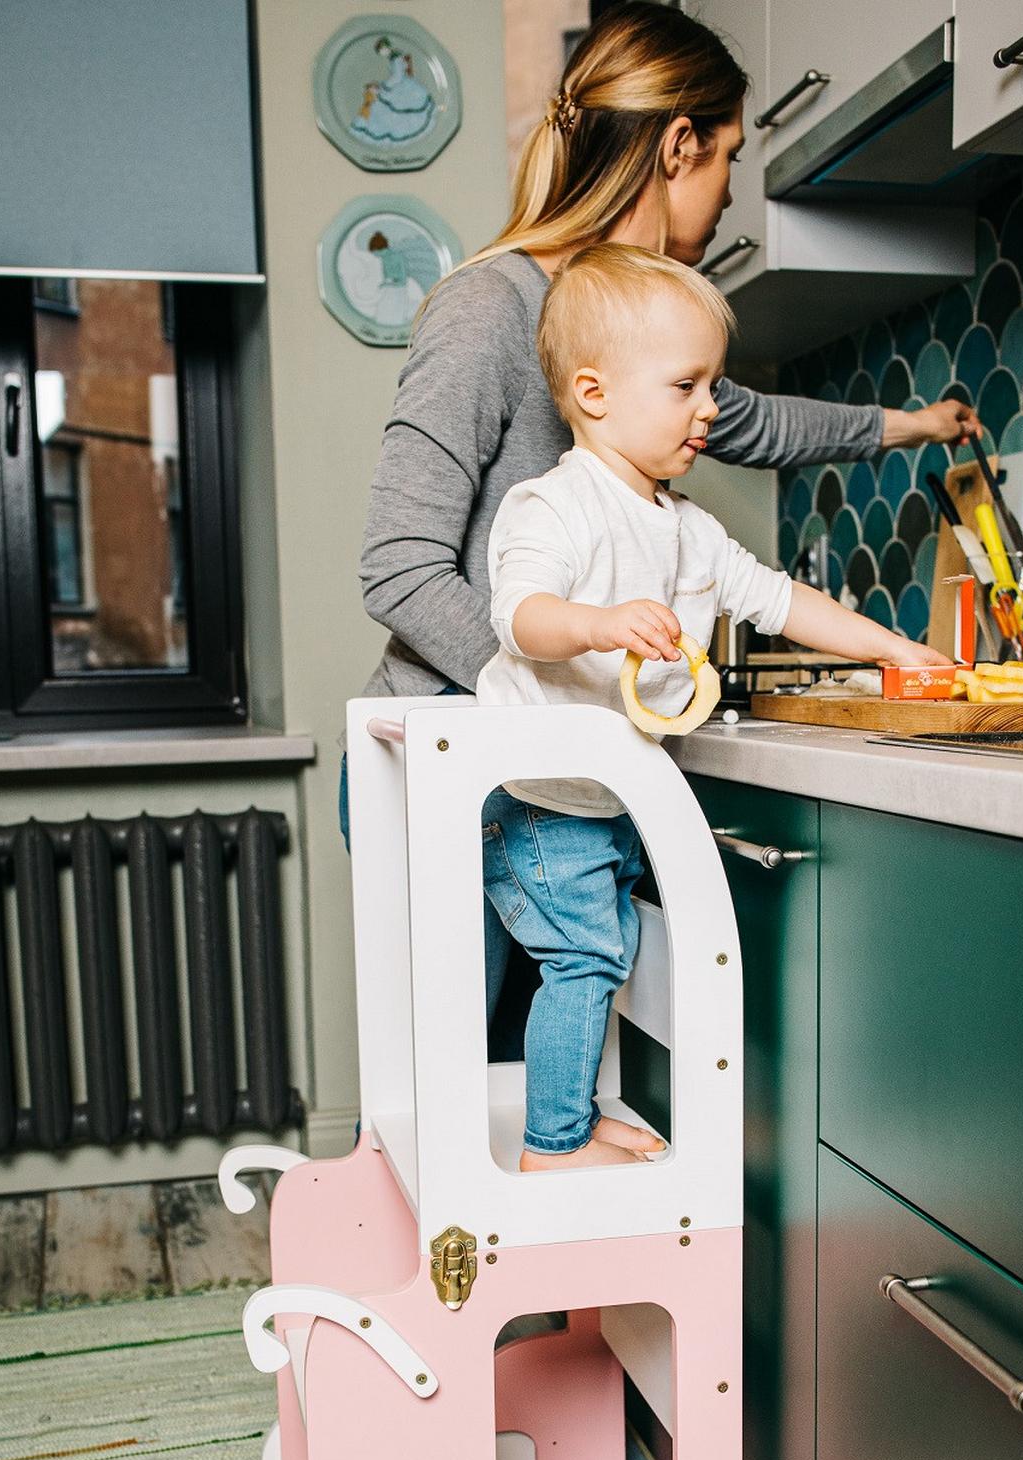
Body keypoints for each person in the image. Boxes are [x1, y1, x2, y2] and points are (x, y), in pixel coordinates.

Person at [354, 0, 980, 1003]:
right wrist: (546, 709)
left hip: (543, 774)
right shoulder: (494, 312)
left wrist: (912, 425)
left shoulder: (646, 354)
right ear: (679, 144)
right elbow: (398, 567)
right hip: (458, 760)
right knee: (457, 1116)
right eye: (731, 154)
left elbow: (763, 425)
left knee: (534, 1105)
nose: (734, 192)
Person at [476, 243, 953, 1172]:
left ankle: (567, 1115)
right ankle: (552, 1146)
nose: (710, 410)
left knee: (600, 957)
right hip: (538, 801)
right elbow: (520, 615)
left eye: (715, 386)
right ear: (595, 392)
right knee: (585, 963)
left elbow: (779, 599)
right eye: (688, 386)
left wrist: (891, 644)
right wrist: (599, 622)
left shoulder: (688, 528)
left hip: (607, 798)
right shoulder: (554, 506)